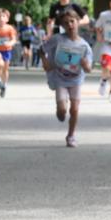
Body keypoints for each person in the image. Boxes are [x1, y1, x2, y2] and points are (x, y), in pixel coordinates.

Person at [41, 10, 93, 147]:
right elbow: (41, 49)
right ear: (62, 25)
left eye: (72, 21)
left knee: (75, 109)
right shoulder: (57, 39)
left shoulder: (84, 46)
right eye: (66, 23)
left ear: (78, 22)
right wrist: (45, 61)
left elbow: (89, 69)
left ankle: (71, 136)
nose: (69, 25)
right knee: (63, 111)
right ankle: (60, 110)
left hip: (76, 80)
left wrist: (85, 64)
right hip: (60, 79)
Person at [0, 8, 17, 97]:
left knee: (5, 69)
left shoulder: (10, 28)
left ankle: (4, 86)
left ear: (7, 19)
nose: (1, 18)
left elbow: (14, 40)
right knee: (0, 63)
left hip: (7, 50)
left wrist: (10, 43)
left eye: (3, 16)